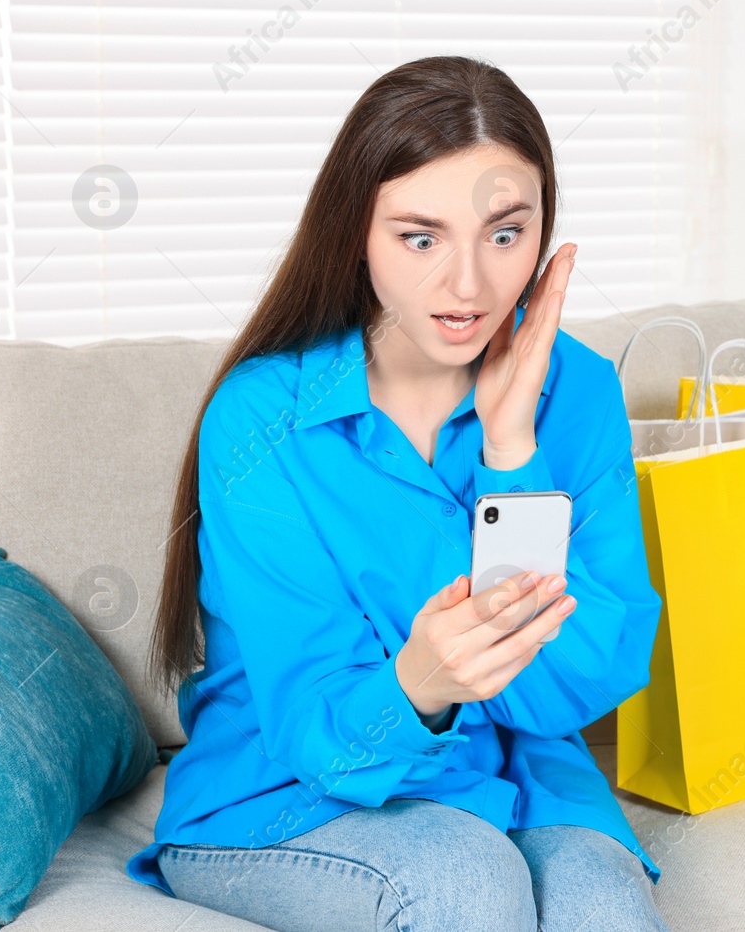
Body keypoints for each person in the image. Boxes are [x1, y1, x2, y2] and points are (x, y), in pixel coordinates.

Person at [124, 56, 669, 932]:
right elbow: (318, 734)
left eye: (504, 234)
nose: (469, 286)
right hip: (285, 791)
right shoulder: (264, 420)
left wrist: (512, 450)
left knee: (606, 908)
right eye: (421, 238)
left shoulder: (579, 392)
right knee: (466, 880)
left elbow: (575, 686)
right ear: (357, 235)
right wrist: (420, 683)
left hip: (524, 781)